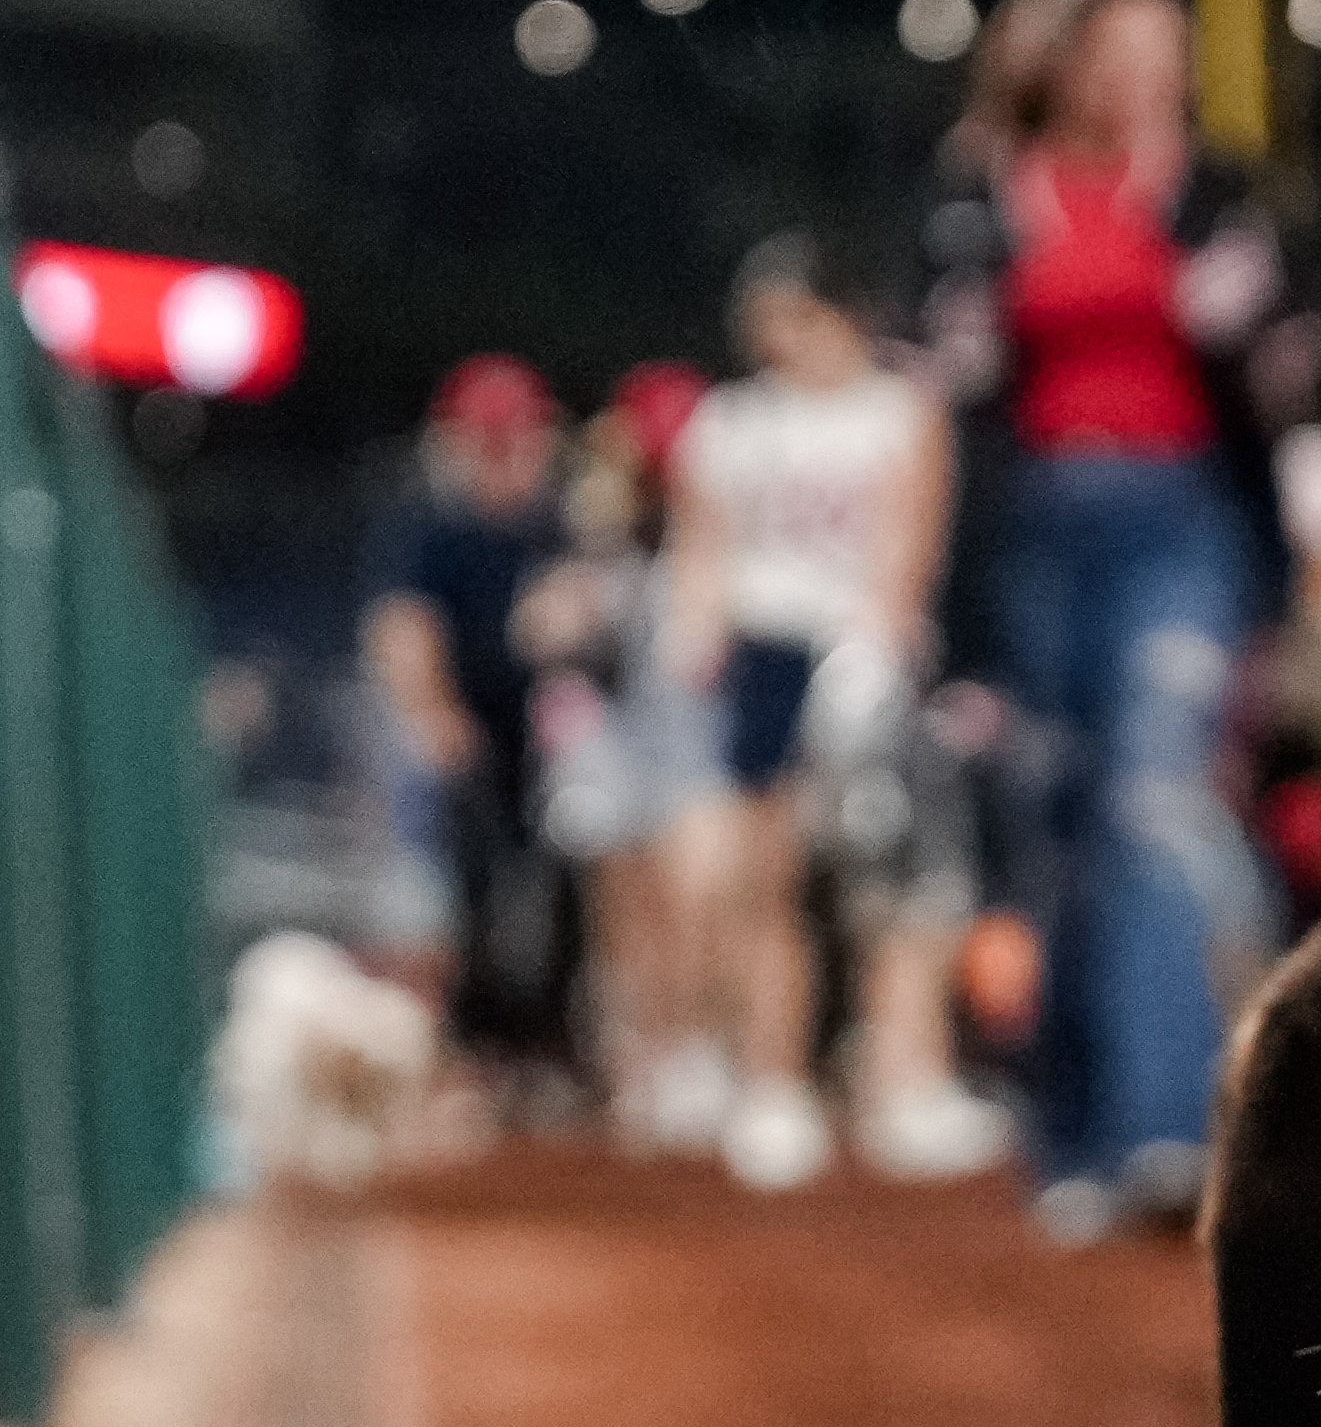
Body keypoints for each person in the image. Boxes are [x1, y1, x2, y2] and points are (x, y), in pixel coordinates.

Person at [919, 0, 1321, 1242]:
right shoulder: (990, 198)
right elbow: (950, 403)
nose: (1148, 74)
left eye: (1171, 49)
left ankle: (1168, 1127)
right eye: (1121, 49)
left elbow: (1296, 374)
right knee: (1058, 825)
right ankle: (1072, 1133)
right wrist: (953, 621)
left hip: (1179, 522)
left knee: (1155, 805)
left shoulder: (1217, 198)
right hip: (1037, 528)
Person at [658, 237, 1002, 1193]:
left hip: (868, 658)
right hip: (769, 649)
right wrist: (697, 638)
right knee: (771, 873)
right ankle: (772, 1080)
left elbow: (912, 536)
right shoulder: (730, 422)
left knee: (902, 882)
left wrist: (876, 645)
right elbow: (703, 547)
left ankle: (903, 1079)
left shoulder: (897, 412)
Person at [515, 361, 721, 1150]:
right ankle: (638, 1058)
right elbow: (542, 620)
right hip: (606, 730)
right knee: (625, 905)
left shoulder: (711, 525)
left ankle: (694, 1049)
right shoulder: (587, 511)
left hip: (689, 731)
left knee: (692, 894)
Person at [360, 354, 573, 1084]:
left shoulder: (558, 521)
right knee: (467, 892)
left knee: (564, 896)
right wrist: (434, 713)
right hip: (470, 737)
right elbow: (402, 625)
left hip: (553, 746)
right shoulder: (433, 526)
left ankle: (549, 1042)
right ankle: (471, 1042)